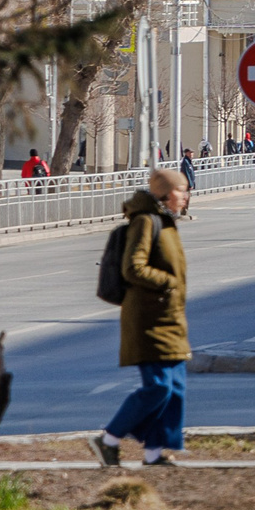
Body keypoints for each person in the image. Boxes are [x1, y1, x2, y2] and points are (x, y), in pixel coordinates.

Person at [91, 168, 192, 467]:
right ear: (164, 194)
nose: (185, 195)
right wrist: (167, 282)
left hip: (170, 318)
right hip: (148, 320)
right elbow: (132, 267)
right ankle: (108, 439)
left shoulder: (167, 223)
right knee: (158, 386)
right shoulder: (146, 222)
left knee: (175, 389)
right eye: (181, 189)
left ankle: (154, 452)